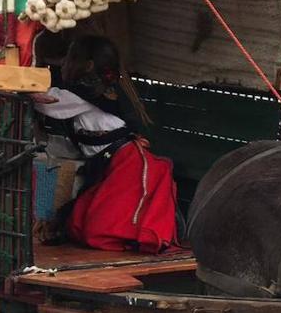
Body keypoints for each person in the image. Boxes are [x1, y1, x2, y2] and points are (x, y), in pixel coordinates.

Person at [33, 36, 178, 253]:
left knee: (99, 231)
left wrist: (21, 87)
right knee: (78, 223)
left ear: (88, 65)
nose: (64, 63)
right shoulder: (99, 91)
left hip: (126, 164)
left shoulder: (83, 95)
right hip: (108, 164)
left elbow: (48, 103)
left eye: (70, 58)